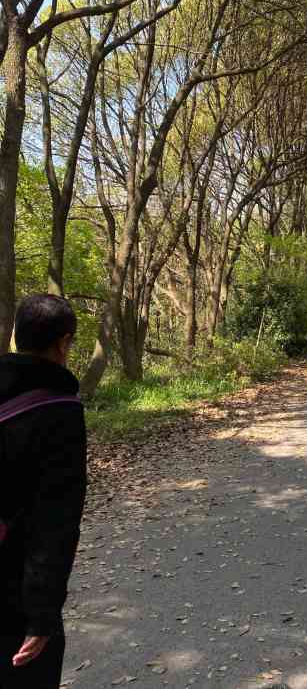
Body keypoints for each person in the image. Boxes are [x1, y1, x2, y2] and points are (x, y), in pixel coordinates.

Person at [0, 295, 86, 689]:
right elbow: (54, 524)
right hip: (13, 592)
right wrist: (42, 616)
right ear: (62, 342)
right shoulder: (59, 411)